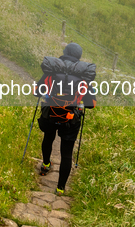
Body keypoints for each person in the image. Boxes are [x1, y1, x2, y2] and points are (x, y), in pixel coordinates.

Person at [35, 43, 97, 196]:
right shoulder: (84, 76)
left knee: (48, 138)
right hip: (71, 118)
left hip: (50, 113)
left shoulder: (52, 70)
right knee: (67, 153)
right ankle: (60, 188)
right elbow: (91, 104)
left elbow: (36, 92)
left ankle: (46, 164)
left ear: (64, 53)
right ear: (79, 57)